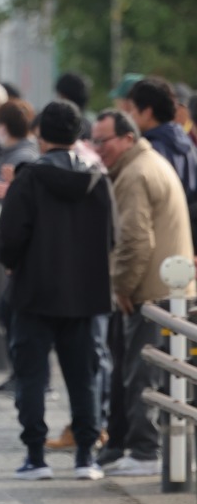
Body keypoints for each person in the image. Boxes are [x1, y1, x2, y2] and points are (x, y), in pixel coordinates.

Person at [0, 100, 115, 481]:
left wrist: (12, 263)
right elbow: (112, 238)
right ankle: (85, 456)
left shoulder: (28, 178)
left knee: (31, 375)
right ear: (78, 135)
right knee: (85, 376)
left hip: (34, 291)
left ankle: (36, 456)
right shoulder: (99, 179)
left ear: (40, 135)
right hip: (87, 294)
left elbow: (9, 238)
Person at [90, 109, 195, 476]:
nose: (97, 148)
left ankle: (145, 451)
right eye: (94, 141)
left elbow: (135, 240)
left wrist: (121, 286)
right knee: (163, 374)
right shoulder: (147, 163)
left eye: (104, 141)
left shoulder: (135, 174)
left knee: (141, 372)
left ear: (128, 138)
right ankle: (151, 450)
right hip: (170, 289)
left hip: (151, 292)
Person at [124, 77, 197, 250]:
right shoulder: (187, 143)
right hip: (187, 239)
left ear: (147, 112)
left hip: (163, 242)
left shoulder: (153, 151)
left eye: (132, 110)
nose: (129, 117)